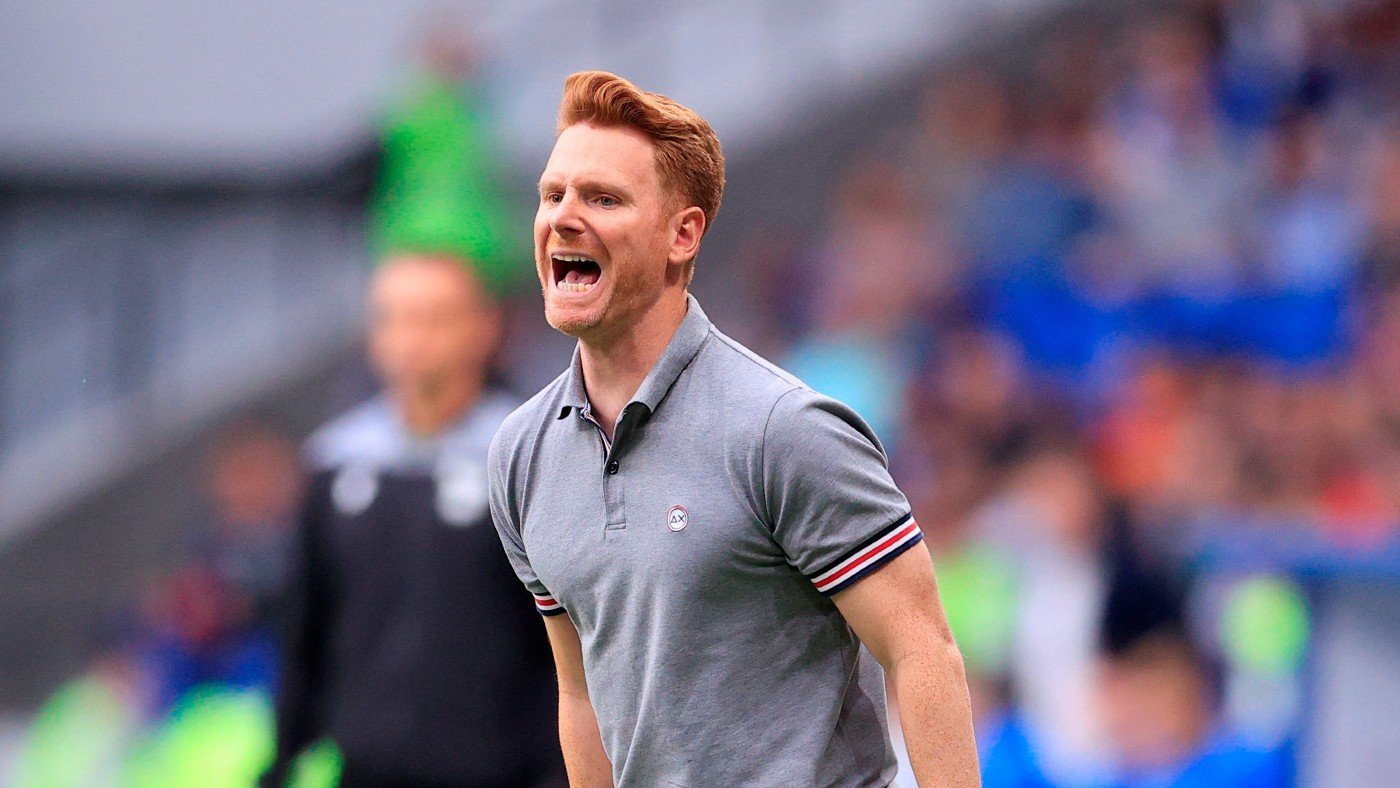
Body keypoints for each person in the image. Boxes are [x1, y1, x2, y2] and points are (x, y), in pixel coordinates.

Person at [488, 71, 979, 787]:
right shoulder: (520, 455)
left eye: (603, 198)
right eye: (552, 194)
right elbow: (581, 693)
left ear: (682, 235)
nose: (563, 217)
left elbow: (923, 650)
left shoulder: (784, 430)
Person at [263, 253, 563, 787]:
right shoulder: (335, 463)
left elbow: (561, 641)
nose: (411, 339)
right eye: (393, 318)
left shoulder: (529, 460)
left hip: (499, 773)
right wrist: (285, 755)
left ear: (485, 327)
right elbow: (305, 628)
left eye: (434, 318)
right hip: (364, 771)